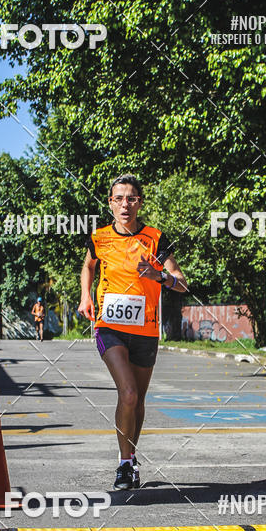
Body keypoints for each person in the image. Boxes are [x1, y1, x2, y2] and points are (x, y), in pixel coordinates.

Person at [78, 173, 188, 490]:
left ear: (139, 202)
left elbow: (181, 282)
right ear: (110, 202)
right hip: (109, 327)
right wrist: (86, 295)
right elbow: (88, 265)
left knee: (137, 400)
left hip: (146, 330)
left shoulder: (155, 239)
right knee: (127, 392)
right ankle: (125, 464)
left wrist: (159, 276)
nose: (125, 204)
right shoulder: (99, 238)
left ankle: (131, 458)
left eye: (131, 198)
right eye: (119, 198)